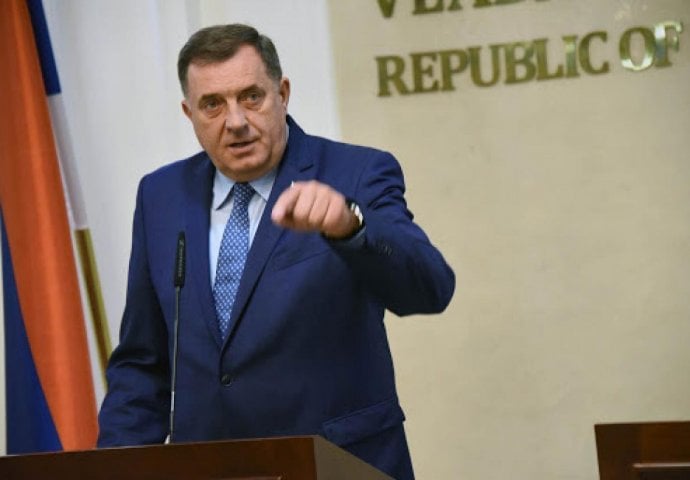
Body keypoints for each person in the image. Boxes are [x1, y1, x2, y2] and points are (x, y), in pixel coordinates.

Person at [97, 24, 455, 480]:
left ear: (282, 94)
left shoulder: (355, 172)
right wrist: (115, 465)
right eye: (213, 104)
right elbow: (143, 362)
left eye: (251, 97)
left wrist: (351, 226)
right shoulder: (161, 196)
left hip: (334, 464)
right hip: (210, 469)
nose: (236, 121)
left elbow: (430, 288)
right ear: (189, 113)